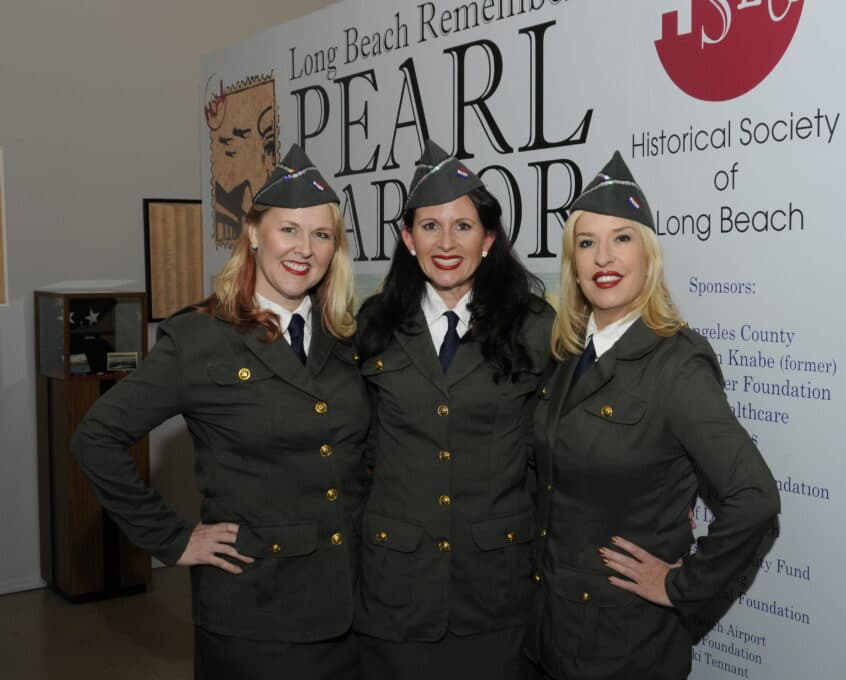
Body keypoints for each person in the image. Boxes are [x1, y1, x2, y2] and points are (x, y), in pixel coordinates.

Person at [71, 145, 370, 679]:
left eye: (321, 235)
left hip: (352, 609)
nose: (305, 248)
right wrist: (173, 538)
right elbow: (95, 438)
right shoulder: (199, 339)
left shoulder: (347, 338)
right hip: (255, 614)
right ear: (254, 233)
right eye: (289, 230)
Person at [526, 152, 781, 680]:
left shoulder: (677, 363)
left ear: (648, 256)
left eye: (622, 239)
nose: (604, 257)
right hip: (552, 634)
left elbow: (755, 499)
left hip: (627, 648)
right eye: (587, 242)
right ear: (572, 262)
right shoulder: (567, 355)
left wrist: (679, 584)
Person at [353, 140, 554, 680]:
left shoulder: (534, 326)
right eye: (430, 226)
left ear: (487, 239)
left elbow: (554, 452)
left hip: (496, 592)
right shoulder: (372, 326)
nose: (447, 243)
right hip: (395, 590)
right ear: (406, 238)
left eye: (463, 227)